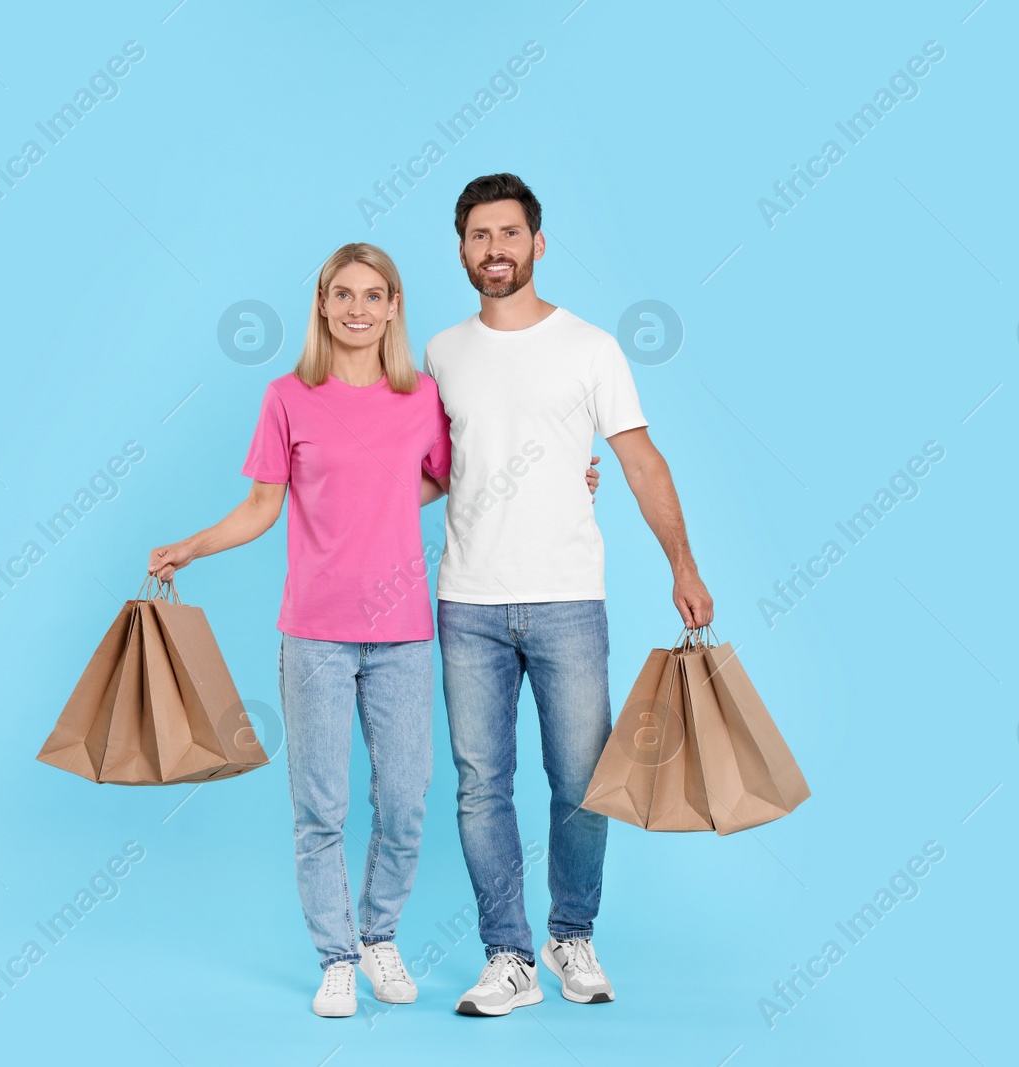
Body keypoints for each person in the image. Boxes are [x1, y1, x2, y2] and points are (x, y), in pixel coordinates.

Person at [147, 242, 598, 1018]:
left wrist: (566, 472)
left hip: (402, 633)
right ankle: (336, 958)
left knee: (406, 797)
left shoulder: (419, 394)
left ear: (393, 307)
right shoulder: (287, 396)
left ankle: (378, 934)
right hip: (314, 635)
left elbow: (455, 474)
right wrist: (189, 545)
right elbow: (263, 506)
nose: (358, 308)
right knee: (320, 807)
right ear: (323, 305)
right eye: (343, 294)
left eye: (374, 295)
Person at [424, 173, 715, 1016]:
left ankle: (571, 935)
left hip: (566, 599)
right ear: (462, 250)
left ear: (538, 244)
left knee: (583, 780)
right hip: (467, 602)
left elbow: (641, 460)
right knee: (482, 784)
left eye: (510, 234)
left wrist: (682, 565)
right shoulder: (441, 353)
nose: (496, 251)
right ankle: (508, 955)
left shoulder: (590, 347)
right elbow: (430, 475)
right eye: (480, 237)